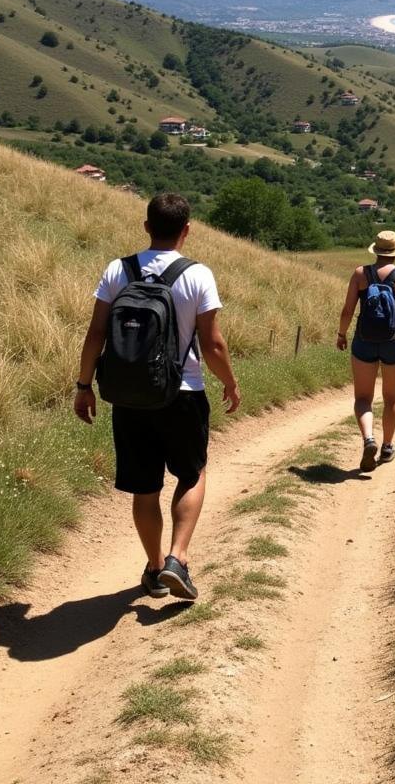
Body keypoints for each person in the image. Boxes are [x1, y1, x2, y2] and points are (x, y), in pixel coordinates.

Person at [74, 193, 241, 601]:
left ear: (146, 226)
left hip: (129, 396)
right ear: (186, 230)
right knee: (192, 474)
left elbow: (96, 333)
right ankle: (177, 559)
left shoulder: (119, 270)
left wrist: (83, 386)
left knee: (144, 488)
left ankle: (152, 568)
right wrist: (231, 383)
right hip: (183, 393)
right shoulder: (198, 275)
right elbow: (212, 342)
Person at [337, 230, 395, 471]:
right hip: (394, 343)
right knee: (391, 398)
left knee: (363, 398)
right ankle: (387, 447)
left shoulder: (360, 274)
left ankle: (368, 439)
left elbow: (347, 311)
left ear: (375, 250)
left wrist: (342, 334)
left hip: (364, 341)